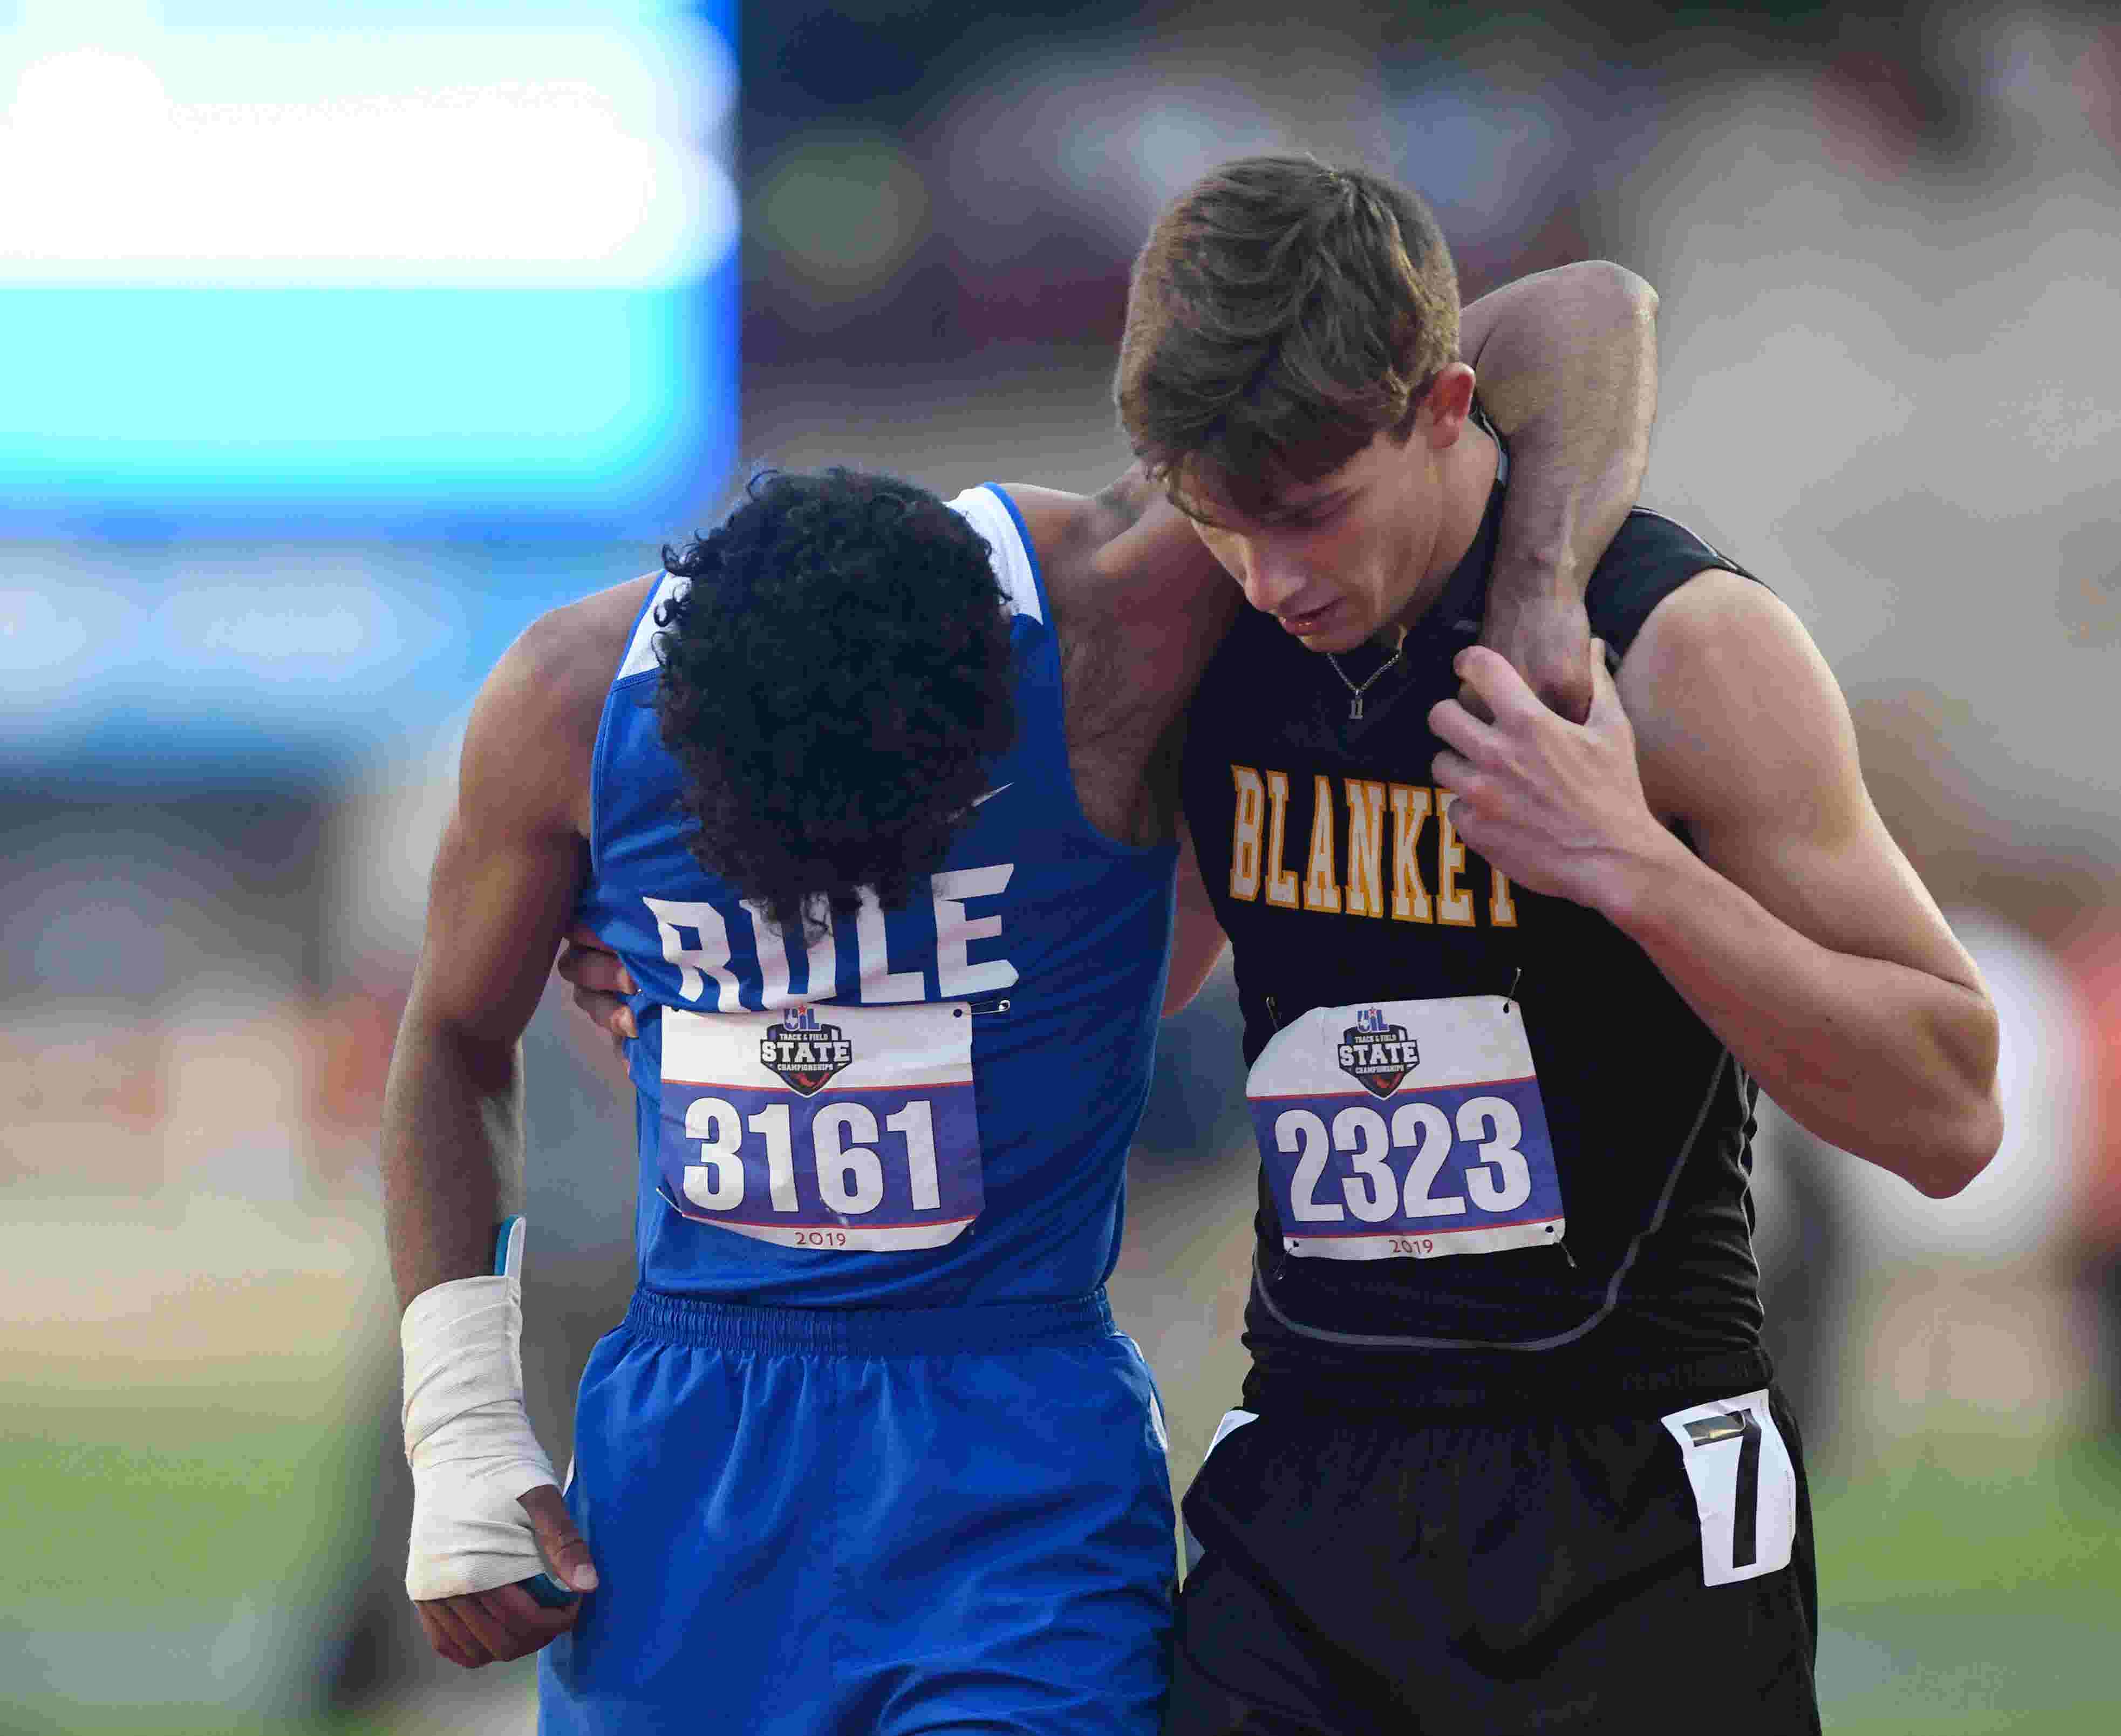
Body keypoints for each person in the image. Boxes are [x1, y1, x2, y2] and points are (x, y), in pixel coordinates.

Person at [387, 264, 1659, 1734]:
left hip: (1012, 1474)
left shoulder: (1120, 614)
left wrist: (1538, 592)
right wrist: (465, 1428)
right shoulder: (566, 699)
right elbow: (449, 1035)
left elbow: (1577, 311)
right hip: (694, 1466)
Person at [1101, 155, 2003, 1732]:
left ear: (1448, 409)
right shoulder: (1213, 626)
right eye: (1220, 524)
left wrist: (1631, 866)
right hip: (1310, 1472)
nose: (1273, 576)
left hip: (1634, 1481)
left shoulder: (1680, 649)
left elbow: (1947, 1110)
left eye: (1312, 517)